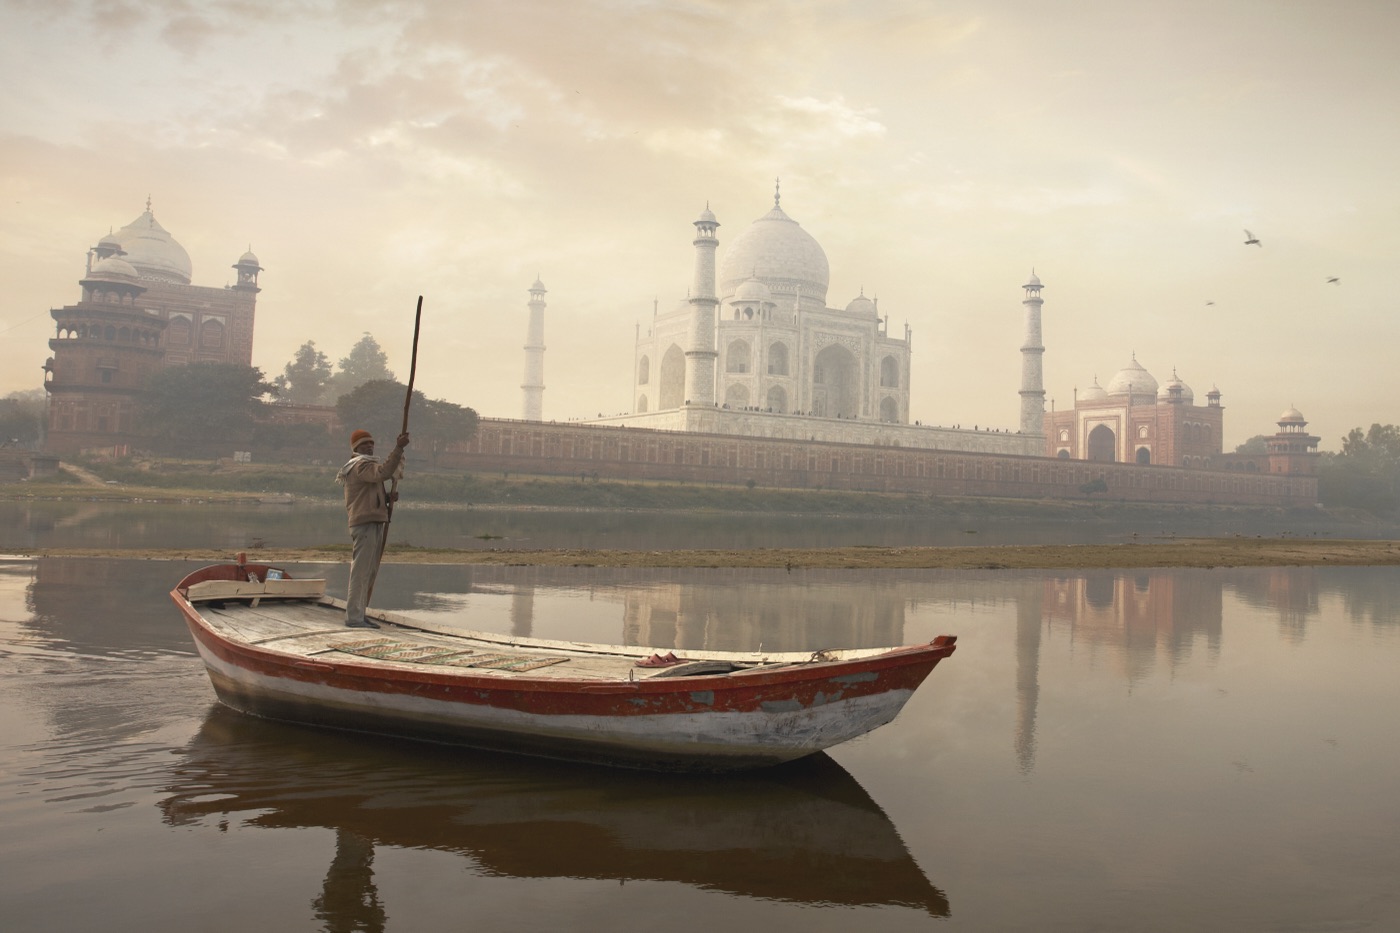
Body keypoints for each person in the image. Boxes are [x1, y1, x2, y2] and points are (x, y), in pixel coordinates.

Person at [335, 428, 409, 629]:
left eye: (371, 443)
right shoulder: (360, 465)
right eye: (365, 444)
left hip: (372, 521)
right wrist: (398, 448)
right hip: (365, 523)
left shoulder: (364, 466)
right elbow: (384, 473)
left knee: (368, 572)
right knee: (360, 572)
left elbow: (368, 494)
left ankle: (360, 614)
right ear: (356, 448)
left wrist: (386, 499)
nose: (369, 446)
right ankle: (354, 618)